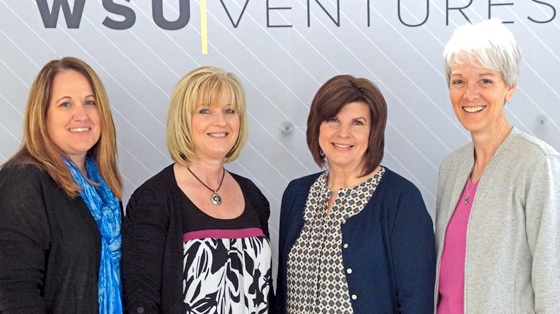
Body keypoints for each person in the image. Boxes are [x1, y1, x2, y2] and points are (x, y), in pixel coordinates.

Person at [276, 75, 436, 314]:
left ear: (373, 132)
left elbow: (417, 302)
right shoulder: (296, 194)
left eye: (357, 123)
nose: (343, 133)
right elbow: (283, 296)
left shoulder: (401, 199)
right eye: (333, 120)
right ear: (317, 127)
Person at [122, 66, 273, 313]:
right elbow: (142, 302)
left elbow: (265, 291)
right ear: (183, 119)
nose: (221, 121)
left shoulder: (253, 196)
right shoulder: (153, 199)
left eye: (229, 110)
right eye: (205, 110)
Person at [435, 19, 560, 313]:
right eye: (459, 81)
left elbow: (553, 285)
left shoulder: (537, 163)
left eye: (485, 80)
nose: (470, 94)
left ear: (510, 88)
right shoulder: (452, 168)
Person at [0, 57, 123, 313]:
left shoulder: (105, 190)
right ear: (42, 115)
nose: (81, 115)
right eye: (65, 104)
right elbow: (12, 292)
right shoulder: (23, 181)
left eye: (90, 102)